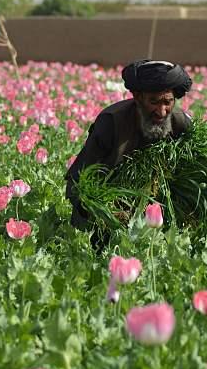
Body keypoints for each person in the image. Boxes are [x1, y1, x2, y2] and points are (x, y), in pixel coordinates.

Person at [65, 59, 193, 246]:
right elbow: (79, 179)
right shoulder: (112, 123)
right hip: (109, 211)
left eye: (168, 102)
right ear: (138, 97)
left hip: (157, 211)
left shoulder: (181, 123)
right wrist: (103, 211)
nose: (162, 111)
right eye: (154, 102)